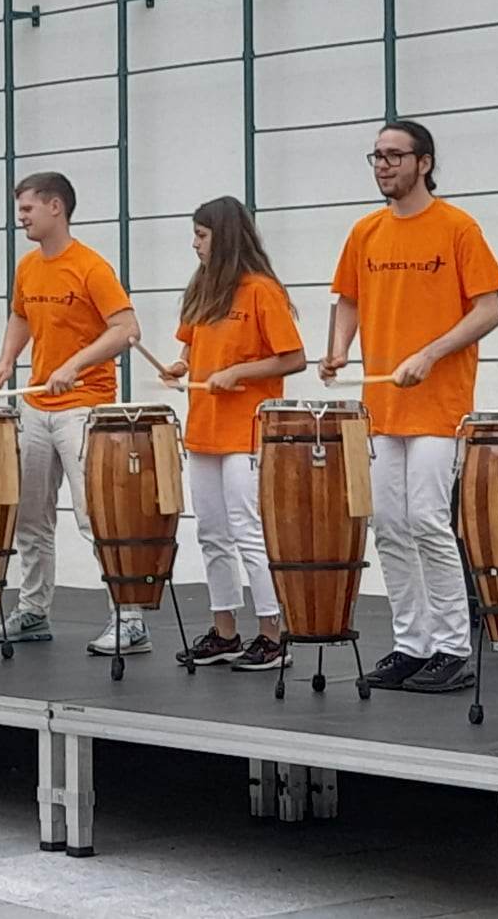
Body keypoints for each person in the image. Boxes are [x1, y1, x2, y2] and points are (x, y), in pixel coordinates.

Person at [319, 120, 498, 694]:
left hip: (438, 406)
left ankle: (453, 648)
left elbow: (489, 310)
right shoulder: (366, 231)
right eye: (376, 156)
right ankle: (411, 644)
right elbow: (347, 299)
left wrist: (431, 353)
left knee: (426, 521)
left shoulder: (457, 227)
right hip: (382, 406)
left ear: (424, 163)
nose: (383, 165)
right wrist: (337, 348)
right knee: (389, 526)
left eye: (394, 155)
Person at [0, 171, 142, 654]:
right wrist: (6, 361)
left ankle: (130, 617)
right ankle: (33, 610)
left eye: (28, 208)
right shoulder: (28, 267)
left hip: (84, 407)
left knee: (97, 516)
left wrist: (75, 364)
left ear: (56, 207)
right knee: (30, 516)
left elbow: (126, 329)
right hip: (36, 406)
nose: (21, 217)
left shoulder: (90, 266)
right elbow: (21, 315)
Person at [161, 196, 304, 672]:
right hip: (204, 428)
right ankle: (224, 630)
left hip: (247, 431)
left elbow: (293, 357)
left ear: (223, 237)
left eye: (201, 235)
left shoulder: (261, 290)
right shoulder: (203, 287)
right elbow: (191, 345)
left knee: (248, 530)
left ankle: (273, 634)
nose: (195, 244)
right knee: (211, 533)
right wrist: (179, 366)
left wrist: (239, 371)